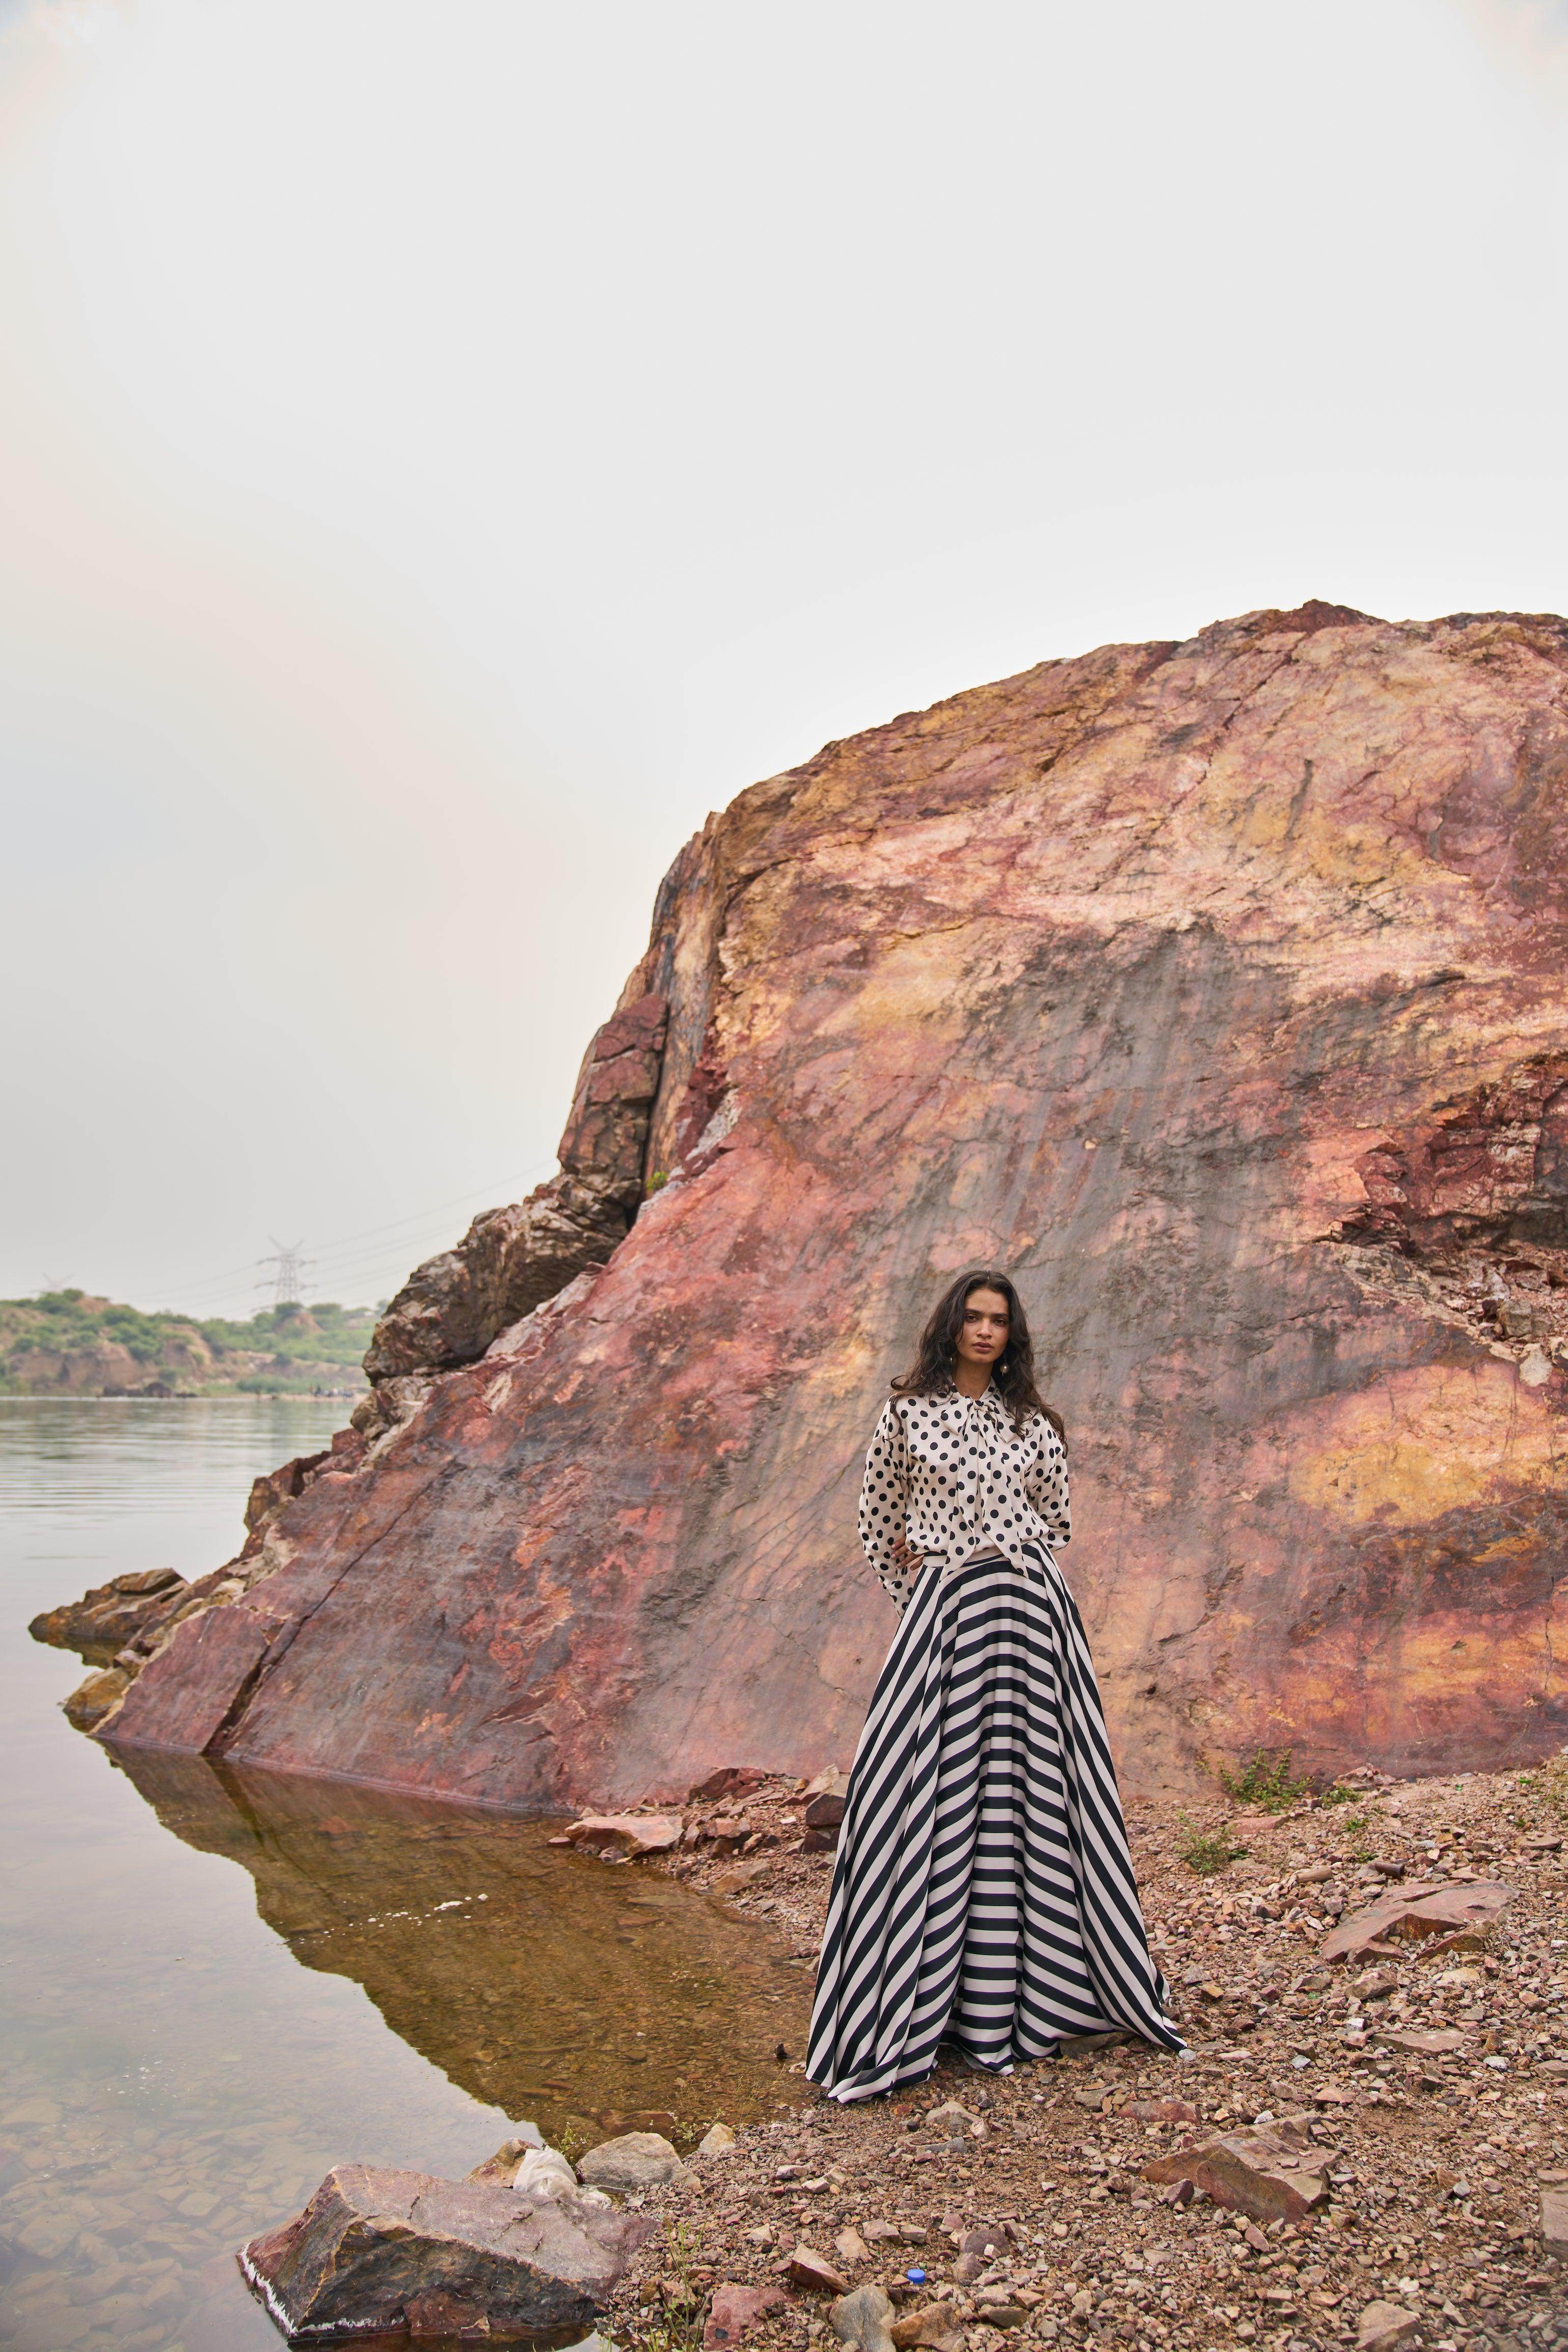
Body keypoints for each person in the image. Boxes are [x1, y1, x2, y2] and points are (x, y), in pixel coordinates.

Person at [806, 1270, 1182, 2101]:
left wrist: (1013, 1565)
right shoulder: (906, 1415)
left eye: (998, 1320)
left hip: (1031, 1615)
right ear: (950, 1325)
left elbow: (1058, 1521)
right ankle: (920, 2005)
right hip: (949, 1613)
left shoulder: (1032, 1424)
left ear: (1013, 1334)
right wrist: (925, 1600)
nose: (984, 1331)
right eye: (973, 1317)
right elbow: (876, 1523)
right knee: (923, 1795)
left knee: (1033, 1795)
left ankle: (1042, 1994)